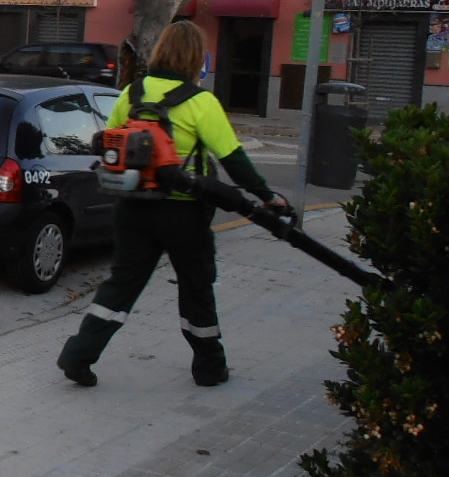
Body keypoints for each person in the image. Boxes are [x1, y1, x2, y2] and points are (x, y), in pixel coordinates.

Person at [57, 21, 287, 388]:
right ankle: (209, 368)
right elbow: (233, 158)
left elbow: (108, 142)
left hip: (131, 207)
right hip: (185, 210)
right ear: (197, 58)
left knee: (121, 284)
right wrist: (266, 196)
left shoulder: (132, 94)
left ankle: (78, 355)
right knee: (196, 286)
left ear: (162, 50)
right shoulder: (200, 102)